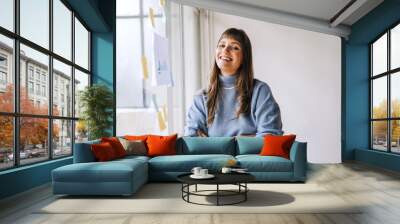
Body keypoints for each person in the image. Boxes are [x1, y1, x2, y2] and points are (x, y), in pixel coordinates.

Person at [184, 28, 283, 137]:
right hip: (214, 155)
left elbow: (270, 136)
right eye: (222, 45)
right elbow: (192, 139)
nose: (225, 50)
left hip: (251, 155)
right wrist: (249, 137)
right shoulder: (201, 97)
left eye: (235, 47)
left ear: (244, 57)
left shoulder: (260, 91)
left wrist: (213, 143)